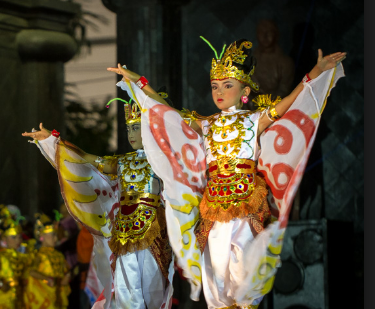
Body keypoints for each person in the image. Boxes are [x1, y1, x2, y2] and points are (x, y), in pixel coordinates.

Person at [107, 37, 346, 308]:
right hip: (214, 207)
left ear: (245, 90)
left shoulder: (254, 119)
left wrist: (317, 72)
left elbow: (291, 100)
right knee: (216, 272)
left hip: (246, 204)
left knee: (243, 271)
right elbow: (166, 112)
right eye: (214, 86)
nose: (219, 92)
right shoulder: (206, 124)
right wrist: (138, 81)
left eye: (227, 85)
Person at [22, 95, 174, 309]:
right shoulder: (122, 162)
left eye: (136, 128)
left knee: (152, 289)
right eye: (129, 129)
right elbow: (85, 160)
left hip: (154, 231)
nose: (131, 134)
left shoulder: (163, 160)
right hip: (123, 232)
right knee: (125, 290)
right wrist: (53, 141)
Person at [25, 213, 71, 309]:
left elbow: (66, 272)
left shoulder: (59, 255)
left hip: (58, 294)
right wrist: (47, 278)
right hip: (43, 296)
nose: (55, 238)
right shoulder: (38, 254)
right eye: (52, 235)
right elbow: (31, 271)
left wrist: (67, 277)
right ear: (41, 236)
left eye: (56, 235)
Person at [0, 204, 30, 309]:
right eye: (13, 237)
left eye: (19, 237)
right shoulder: (1, 256)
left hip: (20, 299)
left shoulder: (23, 256)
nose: (18, 240)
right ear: (4, 238)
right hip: (4, 300)